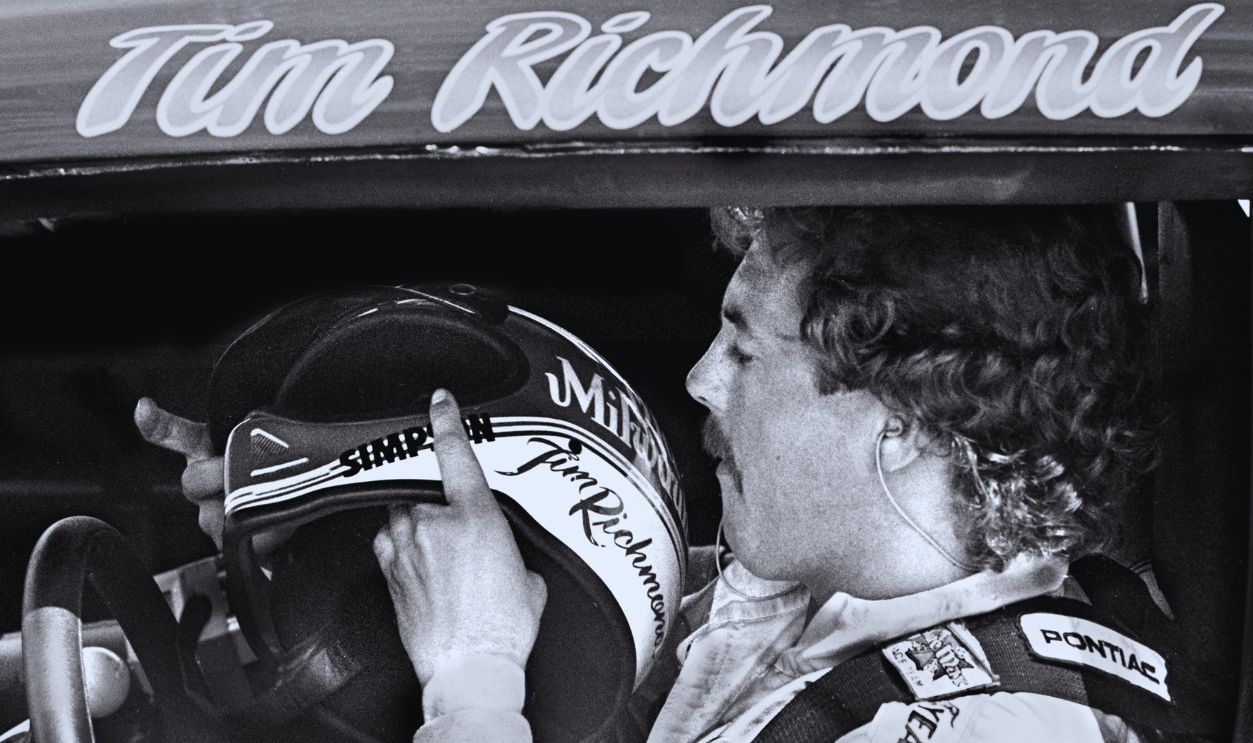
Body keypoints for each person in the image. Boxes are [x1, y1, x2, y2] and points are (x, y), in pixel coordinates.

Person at [137, 205, 1177, 743]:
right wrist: (314, 498)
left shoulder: (994, 727)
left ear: (897, 420)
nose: (697, 378)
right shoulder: (794, 601)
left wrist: (472, 674)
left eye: (744, 348)